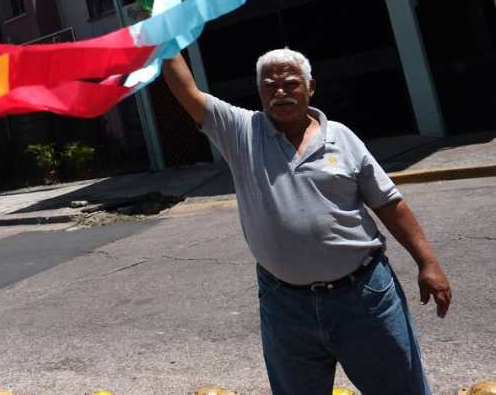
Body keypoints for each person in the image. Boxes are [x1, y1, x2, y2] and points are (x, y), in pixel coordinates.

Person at [162, 48, 451, 395]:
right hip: (286, 307)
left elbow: (389, 203)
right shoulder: (242, 132)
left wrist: (428, 262)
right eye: (270, 86)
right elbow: (187, 91)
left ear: (310, 87)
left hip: (363, 297)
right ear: (260, 93)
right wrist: (163, 32)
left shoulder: (342, 137)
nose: (279, 92)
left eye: (289, 83)